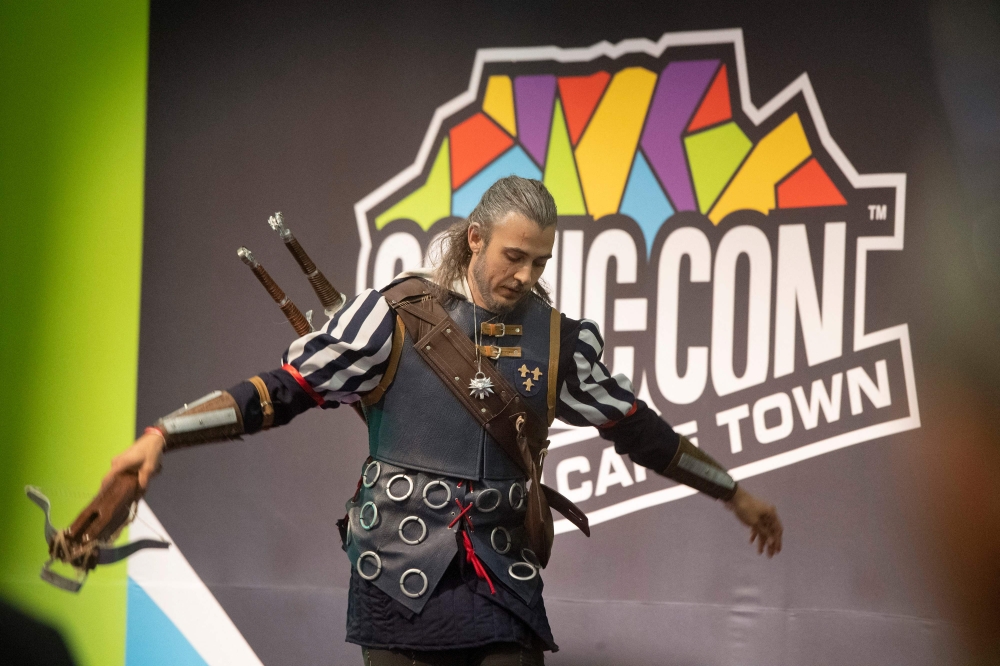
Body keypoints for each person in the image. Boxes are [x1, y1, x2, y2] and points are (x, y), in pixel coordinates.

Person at [105, 176, 782, 665]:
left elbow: (639, 429)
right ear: (476, 239)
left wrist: (733, 493)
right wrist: (164, 433)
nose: (524, 273)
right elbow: (284, 391)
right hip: (392, 565)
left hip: (502, 571)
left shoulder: (559, 344)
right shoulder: (392, 315)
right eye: (513, 255)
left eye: (539, 261)